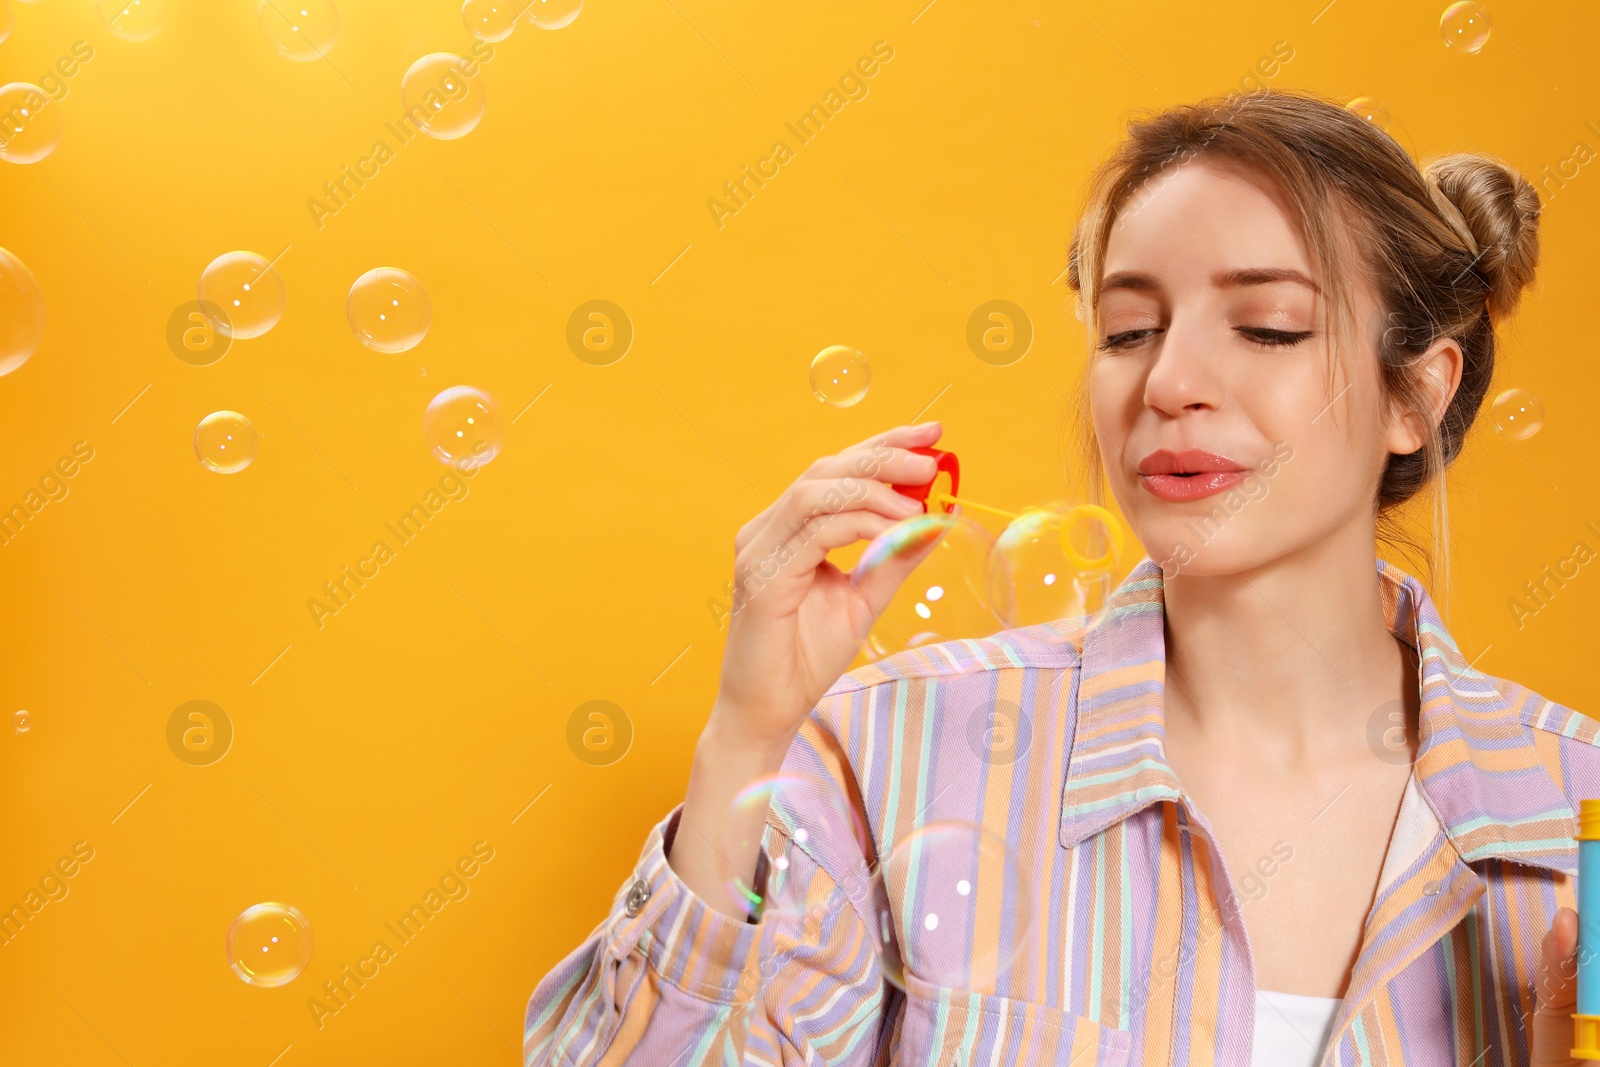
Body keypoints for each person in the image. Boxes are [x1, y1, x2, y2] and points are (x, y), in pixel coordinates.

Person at [524, 86, 1593, 1066]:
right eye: (1128, 331)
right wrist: (745, 735)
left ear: (1415, 394)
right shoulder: (889, 754)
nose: (1169, 381)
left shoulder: (1577, 810)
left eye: (1267, 325)